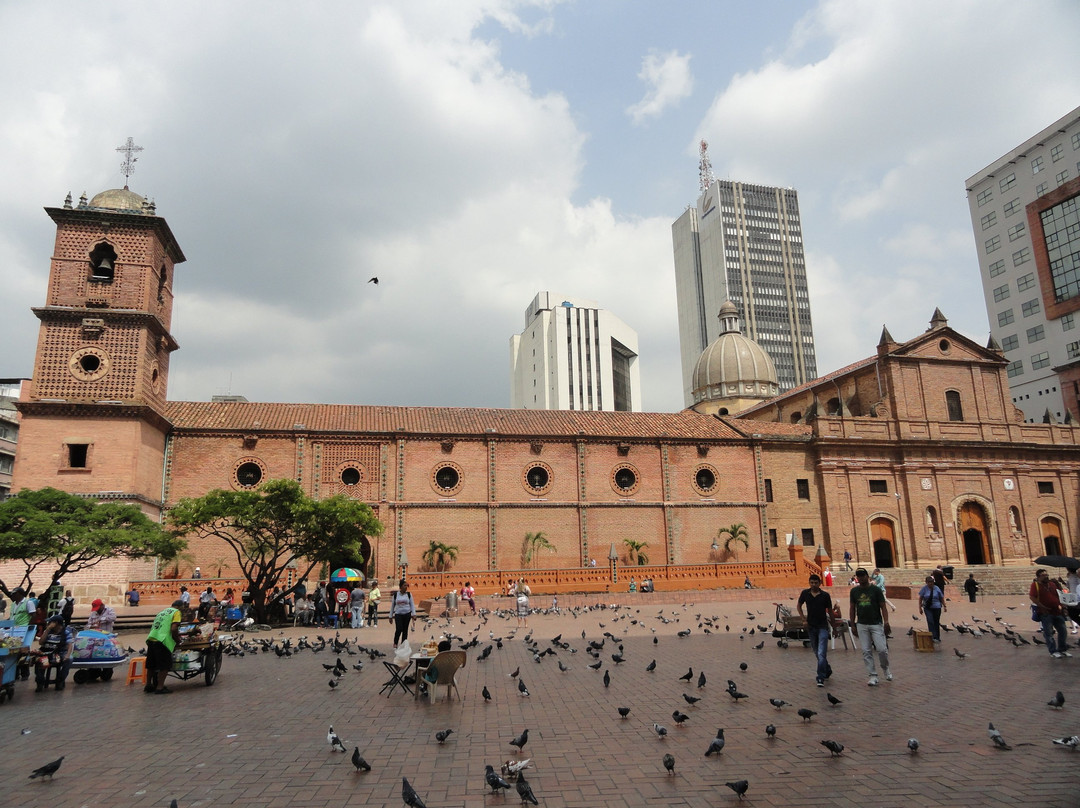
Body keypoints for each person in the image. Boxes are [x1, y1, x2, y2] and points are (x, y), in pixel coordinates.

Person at [849, 567, 892, 686]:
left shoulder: (876, 590)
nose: (861, 578)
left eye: (862, 575)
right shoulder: (854, 592)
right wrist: (853, 625)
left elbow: (883, 606)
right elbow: (852, 608)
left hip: (876, 623)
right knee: (866, 651)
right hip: (862, 624)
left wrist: (886, 622)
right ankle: (873, 675)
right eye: (859, 576)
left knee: (882, 649)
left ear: (867, 576)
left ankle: (885, 668)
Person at [797, 573, 834, 687]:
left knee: (821, 652)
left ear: (820, 583)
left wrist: (834, 627)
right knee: (817, 652)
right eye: (811, 583)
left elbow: (830, 611)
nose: (813, 585)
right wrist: (803, 619)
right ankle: (827, 669)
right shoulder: (805, 593)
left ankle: (820, 677)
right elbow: (799, 605)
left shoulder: (825, 595)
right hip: (811, 626)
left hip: (822, 626)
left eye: (816, 583)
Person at [1029, 568, 1070, 658]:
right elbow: (1032, 597)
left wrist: (1063, 606)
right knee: (1049, 633)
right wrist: (1042, 606)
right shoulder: (1035, 585)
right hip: (1045, 613)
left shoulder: (1052, 584)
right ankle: (1053, 651)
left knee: (1063, 631)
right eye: (1044, 575)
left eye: (1047, 575)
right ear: (1038, 577)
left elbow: (1060, 594)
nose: (1046, 576)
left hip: (1057, 611)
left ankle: (1062, 649)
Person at [145, 600, 183, 694]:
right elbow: (174, 628)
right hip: (163, 640)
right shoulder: (176, 612)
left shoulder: (162, 612)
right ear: (180, 607)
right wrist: (177, 640)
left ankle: (148, 685)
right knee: (165, 665)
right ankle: (160, 687)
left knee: (151, 665)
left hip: (152, 638)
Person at [34, 614, 71, 692]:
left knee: (69, 660)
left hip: (59, 653)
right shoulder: (48, 631)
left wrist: (67, 656)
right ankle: (40, 682)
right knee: (38, 661)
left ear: (56, 623)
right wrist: (47, 630)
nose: (48, 624)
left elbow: (69, 645)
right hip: (46, 652)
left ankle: (60, 680)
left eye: (50, 622)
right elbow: (41, 642)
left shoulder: (66, 632)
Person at [918, 575, 946, 643]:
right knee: (930, 621)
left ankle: (937, 637)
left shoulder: (937, 588)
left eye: (931, 582)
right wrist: (920, 607)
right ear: (926, 582)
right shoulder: (924, 589)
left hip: (937, 607)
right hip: (928, 608)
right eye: (929, 582)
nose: (930, 584)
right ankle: (932, 636)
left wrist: (945, 606)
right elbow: (920, 598)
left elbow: (941, 597)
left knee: (936, 622)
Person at [391, 579, 416, 648]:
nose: (406, 587)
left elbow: (412, 604)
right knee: (399, 629)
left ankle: (403, 644)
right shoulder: (396, 595)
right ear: (400, 586)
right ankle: (395, 642)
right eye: (404, 585)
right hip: (398, 614)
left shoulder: (408, 594)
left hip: (407, 614)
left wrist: (414, 614)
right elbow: (393, 605)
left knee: (405, 630)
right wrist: (390, 616)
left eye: (406, 585)